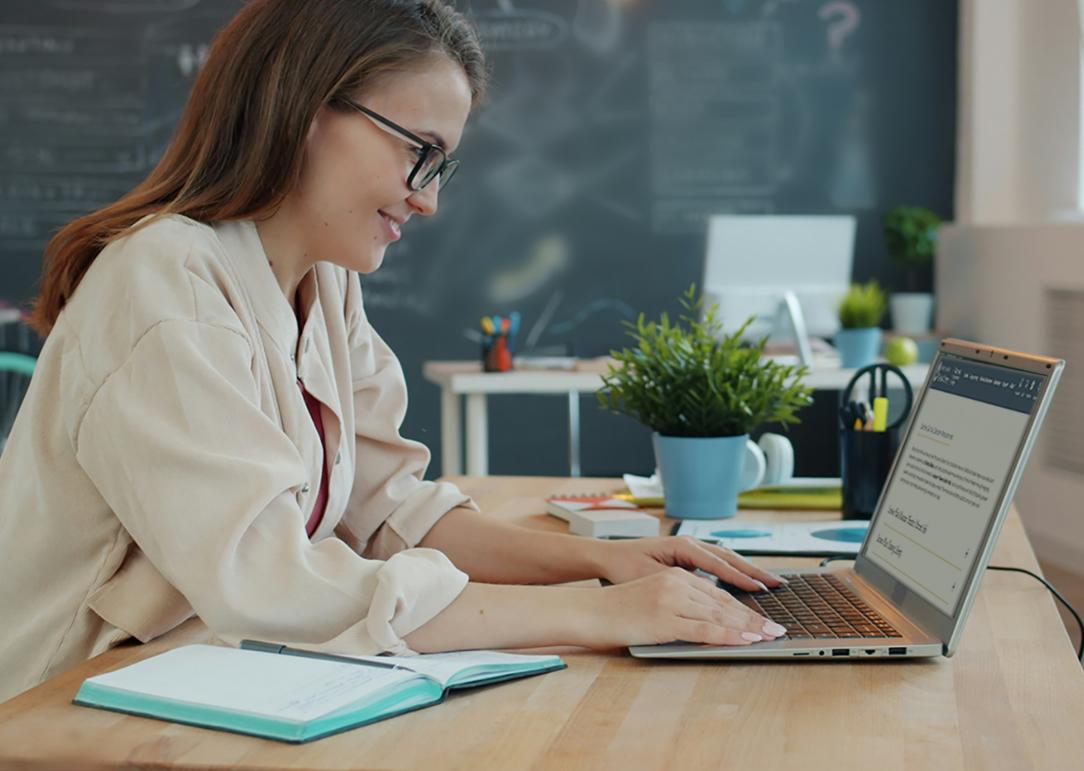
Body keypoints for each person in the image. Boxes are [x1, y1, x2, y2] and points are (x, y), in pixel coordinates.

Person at [0, 0, 785, 703]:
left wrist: (607, 562)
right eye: (420, 151)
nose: (429, 198)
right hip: (63, 700)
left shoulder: (325, 280)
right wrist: (590, 611)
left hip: (190, 675)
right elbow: (267, 582)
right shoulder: (164, 278)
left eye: (442, 165)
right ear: (305, 106)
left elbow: (392, 512)